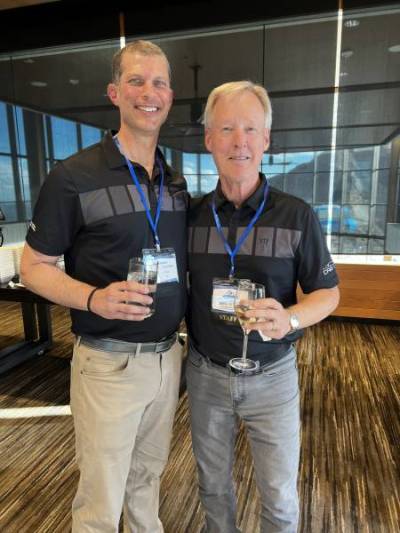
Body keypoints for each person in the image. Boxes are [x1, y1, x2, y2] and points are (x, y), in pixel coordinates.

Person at [20, 40, 188, 532]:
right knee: (101, 498)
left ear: (170, 96)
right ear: (114, 92)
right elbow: (34, 267)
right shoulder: (72, 177)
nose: (148, 92)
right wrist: (94, 298)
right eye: (136, 81)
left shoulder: (174, 183)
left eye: (159, 82)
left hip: (166, 357)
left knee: (147, 483)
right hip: (109, 363)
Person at [186, 81, 340, 533]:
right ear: (209, 139)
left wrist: (290, 317)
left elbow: (328, 294)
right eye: (228, 128)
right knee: (212, 487)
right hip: (206, 372)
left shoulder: (297, 215)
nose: (240, 141)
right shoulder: (191, 217)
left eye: (251, 129)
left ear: (267, 140)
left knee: (279, 495)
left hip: (272, 375)